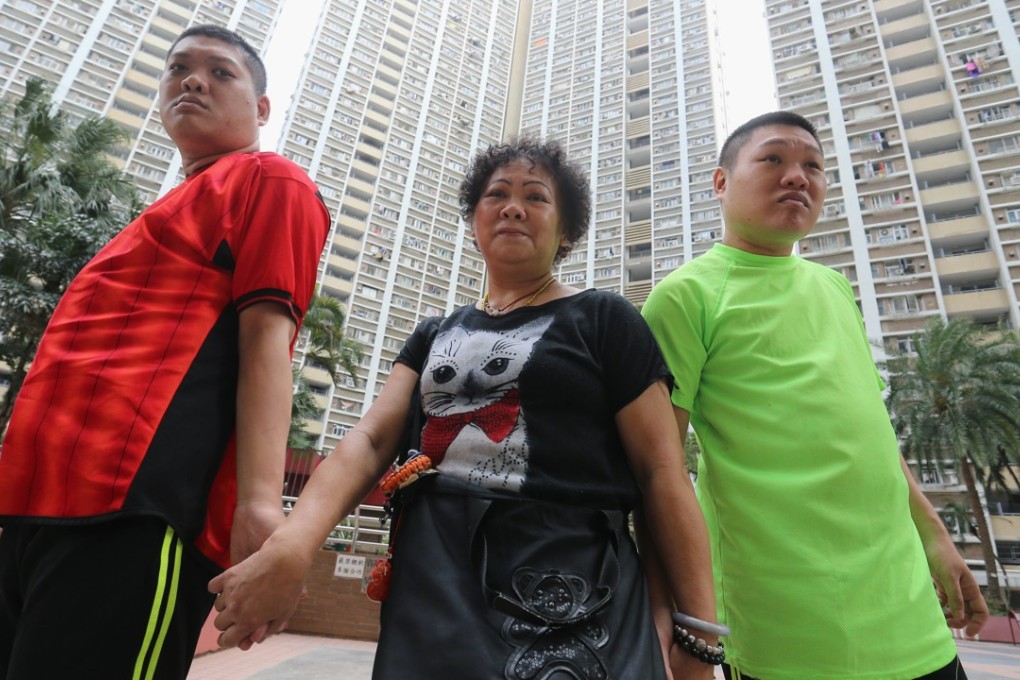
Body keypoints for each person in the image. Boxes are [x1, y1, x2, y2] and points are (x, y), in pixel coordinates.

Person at [209, 137, 721, 679]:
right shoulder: (433, 334)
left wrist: (699, 637)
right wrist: (293, 545)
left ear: (567, 230)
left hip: (576, 581)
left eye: (537, 197)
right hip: (434, 576)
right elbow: (370, 441)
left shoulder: (606, 320)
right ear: (474, 221)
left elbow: (662, 472)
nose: (513, 206)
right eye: (496, 194)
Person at [0, 24, 330, 679]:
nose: (193, 80)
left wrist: (263, 509)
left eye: (221, 72)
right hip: (34, 512)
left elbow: (267, 337)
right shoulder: (156, 217)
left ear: (261, 108)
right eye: (178, 68)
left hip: (136, 511)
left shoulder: (268, 179)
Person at [642, 110, 989, 680]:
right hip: (785, 629)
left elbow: (870, 430)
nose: (798, 177)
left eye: (813, 166)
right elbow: (659, 470)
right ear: (721, 183)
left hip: (911, 618)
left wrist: (935, 534)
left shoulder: (833, 286)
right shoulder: (685, 297)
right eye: (774, 159)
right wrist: (684, 622)